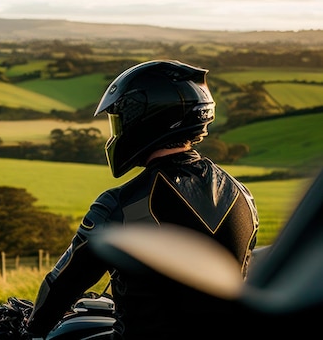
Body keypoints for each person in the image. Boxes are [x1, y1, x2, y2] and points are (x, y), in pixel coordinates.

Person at [25, 60, 259, 339]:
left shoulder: (121, 205)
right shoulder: (242, 195)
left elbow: (63, 285)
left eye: (120, 120)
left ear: (146, 120)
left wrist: (31, 329)